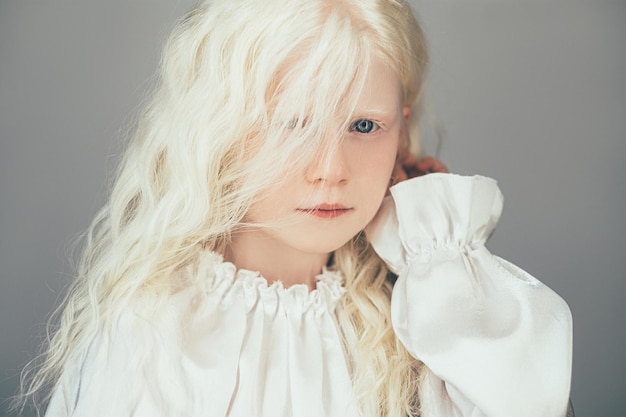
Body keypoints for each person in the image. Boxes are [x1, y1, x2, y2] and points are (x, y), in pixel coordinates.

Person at [17, 0, 573, 416]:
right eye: (292, 123)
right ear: (222, 131)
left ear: (400, 131)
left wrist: (444, 252)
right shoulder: (156, 330)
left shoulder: (418, 317)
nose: (330, 168)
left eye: (363, 126)